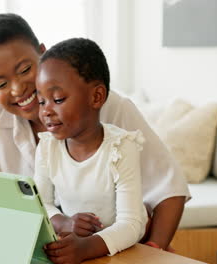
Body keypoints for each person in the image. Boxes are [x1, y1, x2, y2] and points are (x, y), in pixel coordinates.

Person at [0, 13, 190, 251]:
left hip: (115, 247)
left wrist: (154, 249)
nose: (18, 88)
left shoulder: (105, 105)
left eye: (25, 70)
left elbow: (169, 186)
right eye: (0, 84)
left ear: (43, 54)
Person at [34, 38, 147, 263]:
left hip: (120, 252)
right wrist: (65, 223)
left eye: (57, 99)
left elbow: (132, 224)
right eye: (41, 101)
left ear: (96, 96)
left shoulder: (121, 147)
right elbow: (41, 204)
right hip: (75, 248)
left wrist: (86, 248)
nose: (46, 110)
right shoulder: (47, 148)